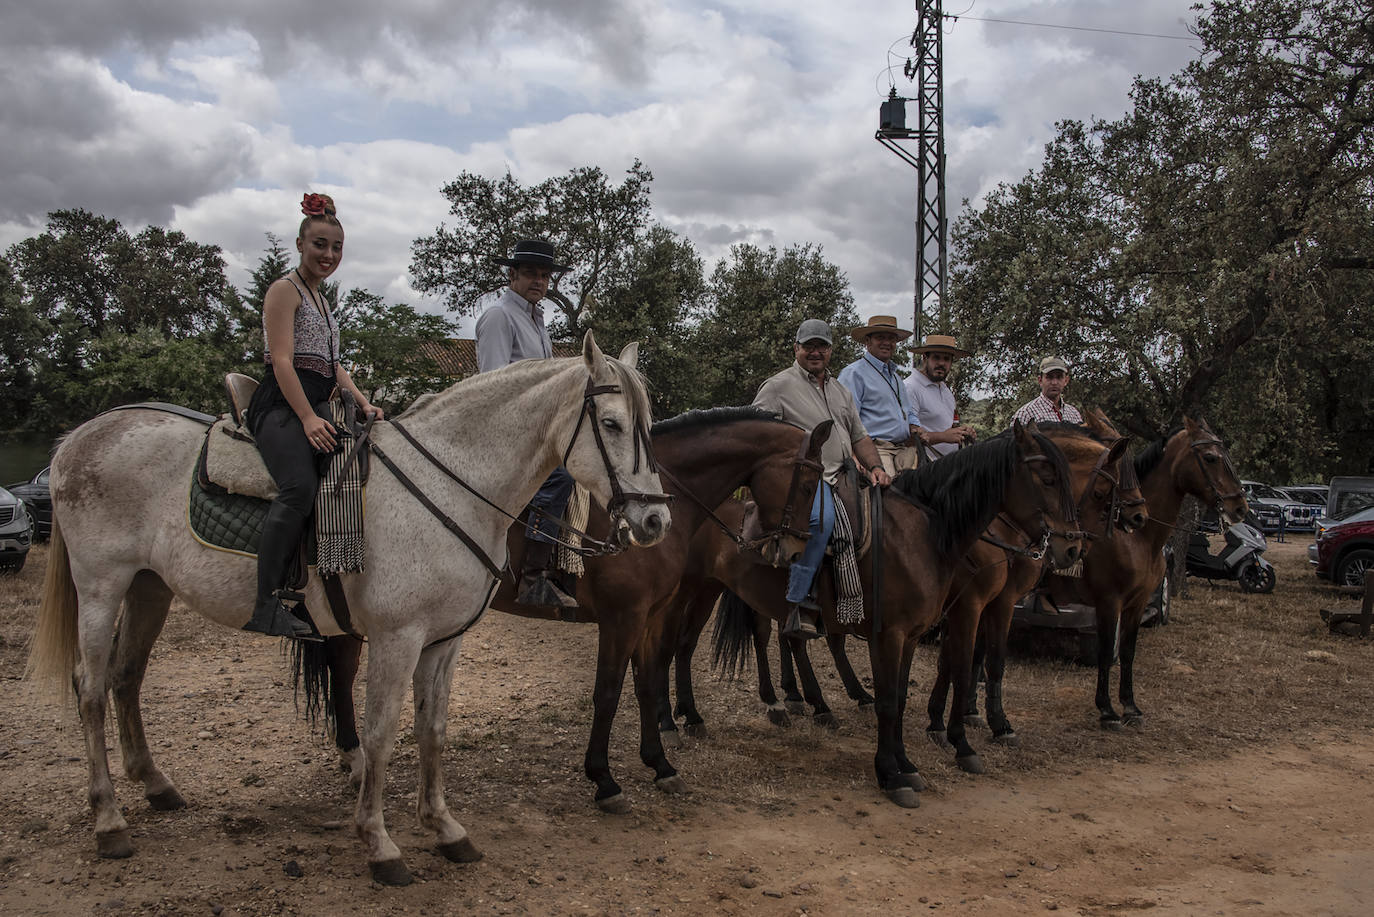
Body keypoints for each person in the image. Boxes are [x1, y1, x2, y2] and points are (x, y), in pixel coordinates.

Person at [246, 193, 383, 640]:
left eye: (336, 248)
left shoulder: (323, 300)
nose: (328, 255)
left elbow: (332, 365)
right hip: (283, 405)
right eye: (320, 245)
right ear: (301, 244)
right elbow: (283, 362)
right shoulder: (284, 290)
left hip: (319, 399)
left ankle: (327, 578)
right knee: (299, 487)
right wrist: (307, 419)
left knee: (346, 474)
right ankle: (266, 602)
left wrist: (362, 402)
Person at [753, 319, 890, 639]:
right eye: (808, 346)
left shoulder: (840, 390)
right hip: (805, 480)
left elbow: (860, 437)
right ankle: (799, 603)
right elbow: (757, 436)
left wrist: (876, 468)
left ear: (830, 351)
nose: (815, 352)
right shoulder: (777, 386)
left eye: (822, 346)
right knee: (821, 521)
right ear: (796, 349)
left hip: (847, 474)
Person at [475, 239, 578, 609]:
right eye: (532, 273)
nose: (539, 281)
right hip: (510, 435)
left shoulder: (538, 320)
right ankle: (532, 577)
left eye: (546, 275)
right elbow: (493, 387)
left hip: (539, 433)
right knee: (562, 476)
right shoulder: (500, 317)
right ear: (513, 275)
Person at [836, 315, 922, 476]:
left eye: (891, 338)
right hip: (875, 449)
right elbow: (845, 419)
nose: (887, 343)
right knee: (888, 491)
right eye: (880, 337)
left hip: (902, 448)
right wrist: (853, 454)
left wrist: (915, 426)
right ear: (867, 342)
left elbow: (908, 412)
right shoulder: (854, 374)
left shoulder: (896, 378)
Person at [903, 333, 977, 462]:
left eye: (947, 359)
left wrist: (963, 432)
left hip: (947, 465)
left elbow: (948, 428)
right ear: (925, 358)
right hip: (923, 467)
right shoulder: (910, 387)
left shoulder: (945, 390)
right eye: (936, 358)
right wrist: (943, 436)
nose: (941, 363)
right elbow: (906, 438)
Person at [1012, 356, 1083, 425]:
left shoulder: (1074, 414)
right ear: (1040, 380)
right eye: (1049, 377)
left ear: (1066, 380)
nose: (1054, 382)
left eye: (1059, 377)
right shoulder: (1026, 414)